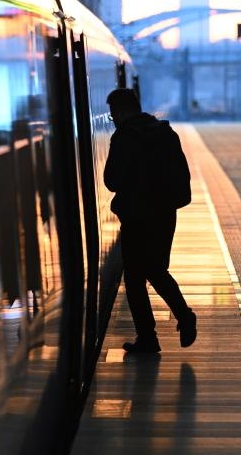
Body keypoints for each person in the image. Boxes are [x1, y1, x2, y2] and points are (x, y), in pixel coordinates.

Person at [103, 88, 196, 354]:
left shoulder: (124, 137)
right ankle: (183, 316)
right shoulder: (165, 133)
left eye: (113, 115)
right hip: (165, 214)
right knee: (156, 270)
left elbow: (112, 181)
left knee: (134, 279)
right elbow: (182, 174)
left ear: (120, 112)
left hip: (136, 217)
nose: (113, 119)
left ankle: (148, 337)